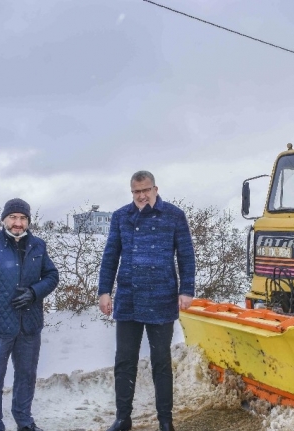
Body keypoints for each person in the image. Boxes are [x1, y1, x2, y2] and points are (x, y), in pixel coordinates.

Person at [98, 171, 196, 431]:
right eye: (136, 192)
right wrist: (104, 290)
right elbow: (110, 256)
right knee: (124, 361)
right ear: (131, 192)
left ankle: (165, 420)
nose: (141, 196)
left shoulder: (174, 215)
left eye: (145, 190)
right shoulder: (121, 216)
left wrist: (186, 290)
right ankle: (123, 419)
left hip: (162, 297)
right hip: (129, 298)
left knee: (161, 361)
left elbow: (186, 255)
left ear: (155, 189)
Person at [0, 198, 59, 431]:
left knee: (26, 376)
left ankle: (24, 421)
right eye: (13, 217)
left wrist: (34, 292)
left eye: (23, 218)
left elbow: (52, 276)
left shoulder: (38, 245)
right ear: (4, 219)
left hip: (29, 325)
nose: (18, 223)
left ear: (28, 221)